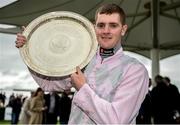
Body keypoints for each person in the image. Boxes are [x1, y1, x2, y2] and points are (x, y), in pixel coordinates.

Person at [15, 3, 149, 124]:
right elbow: (48, 83)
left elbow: (116, 120)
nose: (106, 31)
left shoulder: (135, 70)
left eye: (113, 25)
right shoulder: (83, 61)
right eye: (101, 25)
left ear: (123, 29)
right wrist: (30, 51)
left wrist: (83, 87)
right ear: (94, 28)